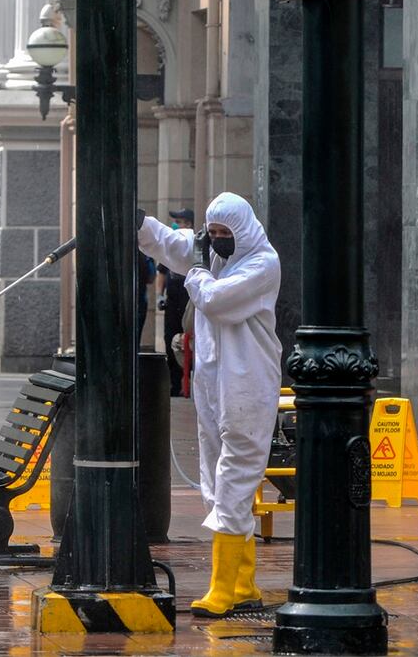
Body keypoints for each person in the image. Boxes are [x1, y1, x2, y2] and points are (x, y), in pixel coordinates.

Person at [137, 192, 281, 618]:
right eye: (212, 234)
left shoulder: (261, 263)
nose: (217, 241)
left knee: (235, 477)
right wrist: (141, 222)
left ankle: (223, 587)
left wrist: (197, 267)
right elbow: (173, 245)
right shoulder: (215, 258)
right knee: (217, 479)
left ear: (243, 231)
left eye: (224, 235)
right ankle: (243, 583)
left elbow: (215, 300)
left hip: (248, 384)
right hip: (215, 386)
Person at [156, 208, 194, 396]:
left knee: (189, 341)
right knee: (169, 340)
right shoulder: (170, 249)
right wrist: (159, 296)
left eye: (179, 222)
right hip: (172, 303)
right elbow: (161, 273)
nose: (175, 225)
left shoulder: (194, 247)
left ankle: (189, 381)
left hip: (189, 304)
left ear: (188, 224)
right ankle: (175, 384)